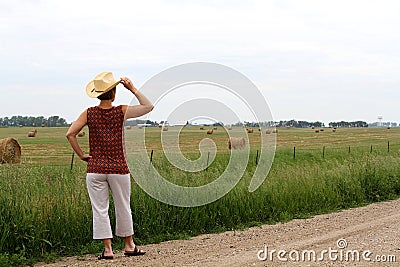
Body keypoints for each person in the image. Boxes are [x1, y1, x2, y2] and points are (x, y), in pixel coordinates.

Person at [66, 72, 153, 260]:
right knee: (123, 206)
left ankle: (108, 250)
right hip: (119, 168)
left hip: (95, 169)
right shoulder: (120, 111)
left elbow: (70, 134)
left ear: (97, 93)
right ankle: (129, 245)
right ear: (113, 93)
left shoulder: (88, 113)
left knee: (100, 209)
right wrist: (132, 88)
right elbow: (148, 106)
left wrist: (82, 155)